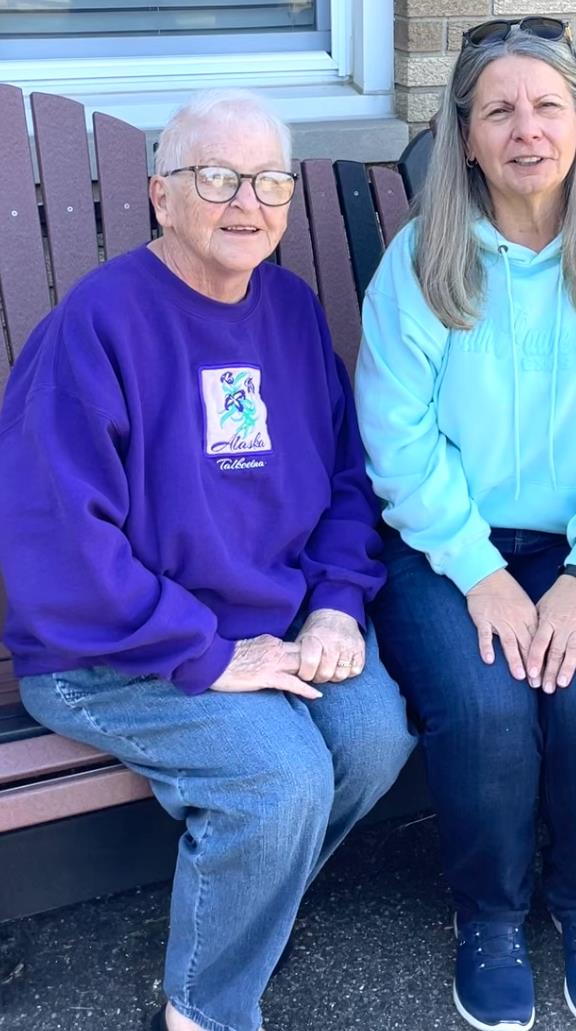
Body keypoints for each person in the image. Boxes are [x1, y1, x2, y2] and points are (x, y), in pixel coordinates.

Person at [0, 90, 415, 1031]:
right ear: (161, 194)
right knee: (279, 779)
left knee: (374, 734)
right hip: (107, 650)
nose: (249, 203)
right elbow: (60, 543)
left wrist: (337, 606)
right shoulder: (98, 326)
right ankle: (206, 1009)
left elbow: (348, 478)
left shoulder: (291, 311)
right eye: (217, 177)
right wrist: (210, 653)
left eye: (270, 180)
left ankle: (240, 915)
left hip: (269, 620)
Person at [355, 17, 576, 1030]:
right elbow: (397, 437)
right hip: (445, 543)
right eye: (498, 109)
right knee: (489, 708)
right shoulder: (422, 262)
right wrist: (476, 569)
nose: (526, 129)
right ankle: (492, 916)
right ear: (464, 135)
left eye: (549, 105)